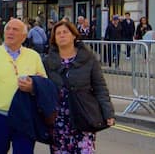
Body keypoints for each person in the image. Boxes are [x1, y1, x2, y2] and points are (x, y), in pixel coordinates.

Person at [0, 18, 48, 154]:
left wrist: (32, 87)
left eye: (15, 30)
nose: (10, 32)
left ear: (24, 36)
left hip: (25, 117)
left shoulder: (33, 56)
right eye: (8, 29)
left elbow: (44, 83)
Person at [43, 20, 115, 153]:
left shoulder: (89, 59)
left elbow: (100, 87)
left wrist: (108, 112)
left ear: (74, 36)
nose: (62, 35)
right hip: (58, 120)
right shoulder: (47, 62)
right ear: (54, 39)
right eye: (58, 33)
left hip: (83, 115)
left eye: (65, 32)